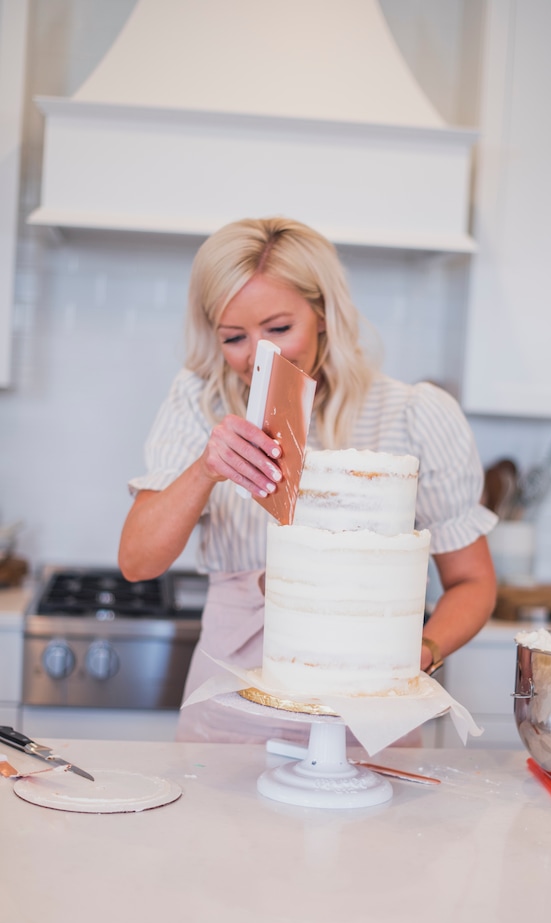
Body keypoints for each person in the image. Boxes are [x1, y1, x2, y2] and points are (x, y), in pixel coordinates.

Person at [118, 216, 498, 743]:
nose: (258, 356)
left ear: (323, 313)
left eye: (278, 329)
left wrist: (424, 650)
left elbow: (472, 582)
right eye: (234, 337)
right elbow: (138, 562)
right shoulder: (199, 400)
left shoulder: (410, 414)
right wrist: (206, 469)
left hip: (367, 706)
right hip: (232, 701)